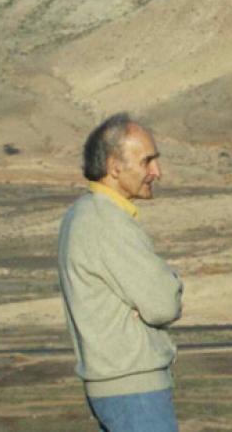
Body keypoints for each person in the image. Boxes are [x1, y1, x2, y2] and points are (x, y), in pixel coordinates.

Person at [58, 113, 184, 432]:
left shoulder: (85, 214)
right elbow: (163, 304)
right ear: (115, 167)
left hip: (120, 389)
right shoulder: (106, 223)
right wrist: (172, 283)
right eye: (147, 161)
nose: (157, 172)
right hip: (133, 392)